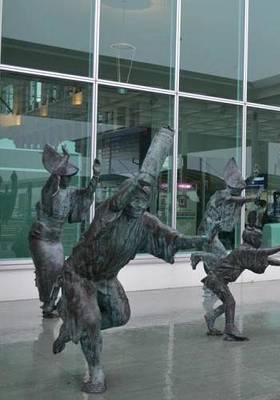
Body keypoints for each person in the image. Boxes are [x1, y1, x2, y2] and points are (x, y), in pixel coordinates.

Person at [52, 127, 209, 394]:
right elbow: (117, 201)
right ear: (127, 193)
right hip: (79, 274)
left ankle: (74, 329)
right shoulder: (109, 212)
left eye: (144, 197)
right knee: (91, 319)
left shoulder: (146, 224)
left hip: (106, 278)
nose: (138, 201)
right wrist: (139, 179)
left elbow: (173, 239)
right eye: (135, 195)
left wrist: (200, 241)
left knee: (120, 315)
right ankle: (96, 371)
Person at [28, 146, 99, 317]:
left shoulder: (71, 193)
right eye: (66, 176)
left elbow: (87, 194)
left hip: (55, 239)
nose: (69, 179)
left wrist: (96, 176)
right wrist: (64, 159)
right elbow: (54, 176)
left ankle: (50, 305)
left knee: (60, 272)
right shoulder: (49, 191)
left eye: (70, 176)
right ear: (60, 176)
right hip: (41, 238)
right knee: (48, 271)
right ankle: (47, 304)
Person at [191, 224, 280, 341]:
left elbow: (264, 258)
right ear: (252, 239)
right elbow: (262, 253)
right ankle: (229, 331)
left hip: (217, 280)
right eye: (259, 238)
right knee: (230, 302)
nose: (261, 241)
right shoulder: (243, 250)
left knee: (228, 303)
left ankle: (211, 316)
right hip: (216, 279)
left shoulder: (247, 251)